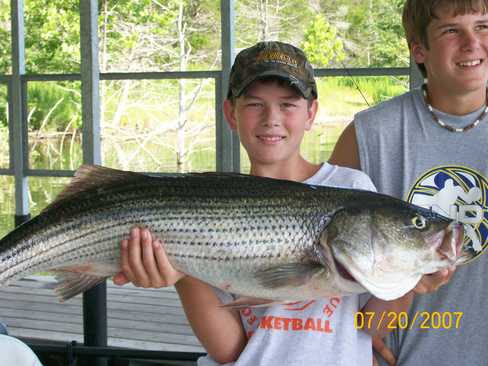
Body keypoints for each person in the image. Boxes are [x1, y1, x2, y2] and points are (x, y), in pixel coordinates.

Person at [113, 41, 432, 366]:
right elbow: (230, 351)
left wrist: (409, 279)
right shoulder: (213, 207)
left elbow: (370, 326)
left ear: (311, 113)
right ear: (230, 114)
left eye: (288, 105)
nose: (271, 118)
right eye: (254, 104)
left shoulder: (351, 190)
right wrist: (182, 272)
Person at [330, 1, 488, 365]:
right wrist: (344, 345)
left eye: (482, 26)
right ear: (418, 48)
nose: (471, 43)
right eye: (451, 30)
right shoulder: (368, 134)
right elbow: (320, 253)